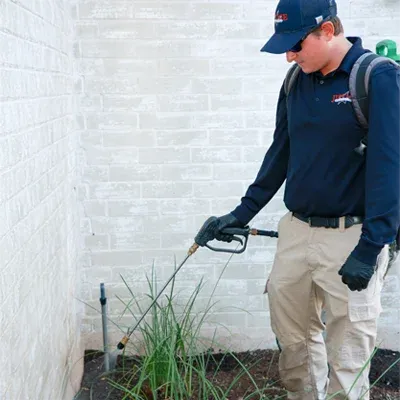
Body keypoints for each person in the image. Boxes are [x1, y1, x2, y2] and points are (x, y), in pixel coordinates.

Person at [194, 0, 400, 399]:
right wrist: (240, 213)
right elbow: (279, 154)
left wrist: (372, 244)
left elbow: (390, 167)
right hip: (296, 233)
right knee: (294, 345)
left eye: (296, 44)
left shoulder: (377, 78)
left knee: (348, 355)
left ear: (327, 31)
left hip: (351, 237)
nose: (289, 54)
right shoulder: (295, 80)